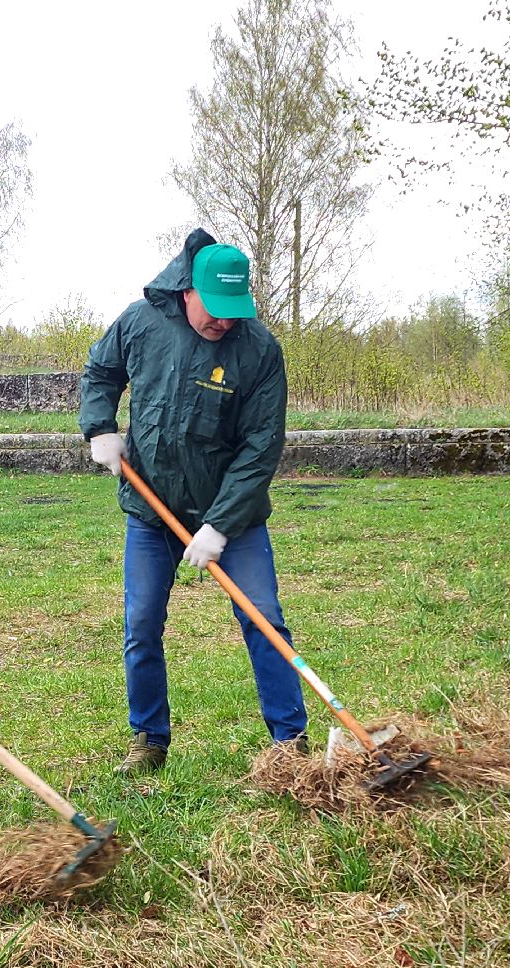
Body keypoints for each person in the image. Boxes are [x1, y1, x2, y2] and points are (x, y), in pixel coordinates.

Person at [78, 228, 308, 775]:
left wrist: (221, 526)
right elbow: (101, 370)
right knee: (142, 625)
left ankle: (289, 744)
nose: (223, 322)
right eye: (215, 308)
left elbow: (261, 447)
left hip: (234, 519)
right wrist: (99, 428)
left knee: (265, 619)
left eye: (235, 310)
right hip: (150, 510)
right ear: (188, 289)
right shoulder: (140, 322)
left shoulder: (259, 350)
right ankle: (148, 740)